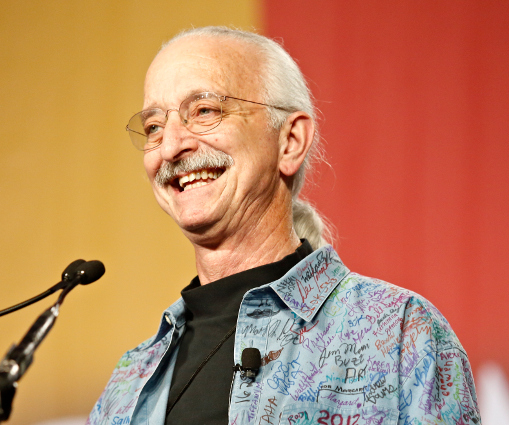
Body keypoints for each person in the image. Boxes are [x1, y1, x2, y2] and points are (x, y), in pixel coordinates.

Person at [87, 27, 480, 425]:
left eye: (204, 111)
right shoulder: (129, 382)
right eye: (154, 126)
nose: (170, 147)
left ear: (290, 140)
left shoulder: (400, 334)